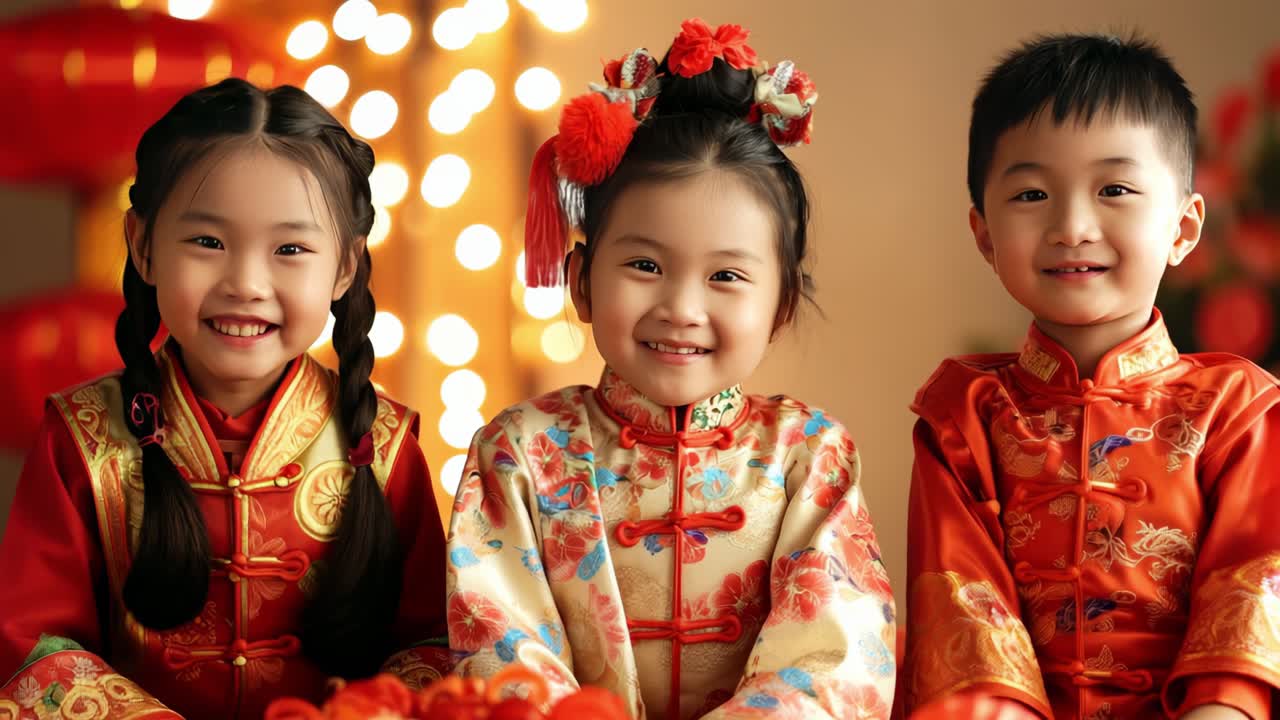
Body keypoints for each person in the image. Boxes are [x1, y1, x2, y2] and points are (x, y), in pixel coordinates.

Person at [445, 18, 895, 720]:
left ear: (781, 304)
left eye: (726, 275)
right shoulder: (520, 450)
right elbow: (502, 646)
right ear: (582, 283)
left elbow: (835, 656)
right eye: (646, 265)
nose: (682, 308)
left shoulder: (810, 454)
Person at [0, 78, 448, 720]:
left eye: (290, 249)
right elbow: (29, 648)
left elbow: (434, 645)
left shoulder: (384, 445)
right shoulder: (81, 437)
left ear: (346, 267)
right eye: (207, 242)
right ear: (143, 245)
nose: (245, 283)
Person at [903, 34, 1280, 720]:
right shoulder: (963, 418)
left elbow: (1251, 600)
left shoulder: (1239, 410)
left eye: (1115, 188)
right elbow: (964, 621)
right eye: (1031, 193)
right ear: (984, 234)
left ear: (1184, 227)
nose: (1072, 225)